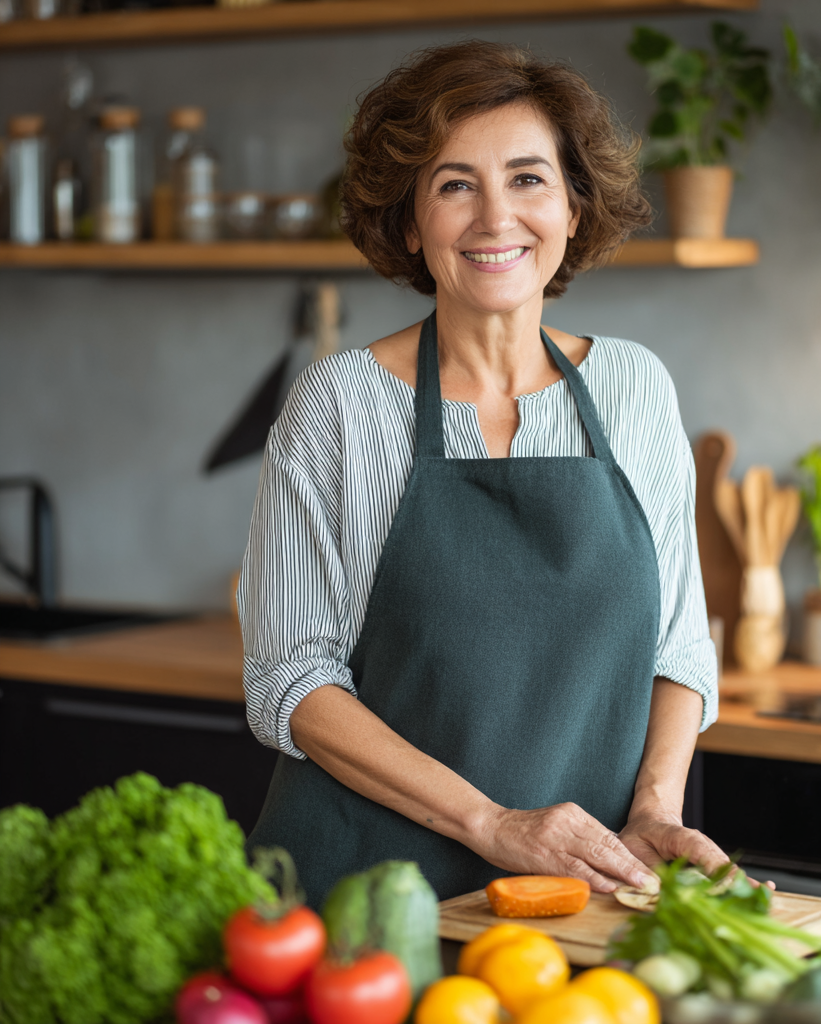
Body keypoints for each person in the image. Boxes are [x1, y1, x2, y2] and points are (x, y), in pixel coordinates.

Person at [239, 39, 727, 908]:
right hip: (368, 902)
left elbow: (680, 645)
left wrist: (652, 809)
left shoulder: (633, 387)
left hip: (577, 894)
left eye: (529, 179)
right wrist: (493, 823)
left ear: (574, 208)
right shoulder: (341, 403)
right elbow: (290, 679)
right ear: (410, 219)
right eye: (456, 184)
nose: (496, 217)